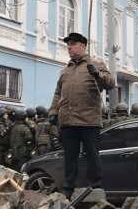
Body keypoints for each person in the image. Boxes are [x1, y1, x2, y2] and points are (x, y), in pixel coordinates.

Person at [49, 32, 114, 198]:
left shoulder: (96, 63)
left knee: (92, 155)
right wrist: (53, 111)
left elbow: (111, 84)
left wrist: (97, 74)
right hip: (68, 121)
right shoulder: (66, 70)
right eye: (68, 45)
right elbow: (58, 93)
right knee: (70, 157)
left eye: (72, 44)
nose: (69, 48)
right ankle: (69, 187)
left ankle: (95, 186)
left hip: (88, 121)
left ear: (82, 46)